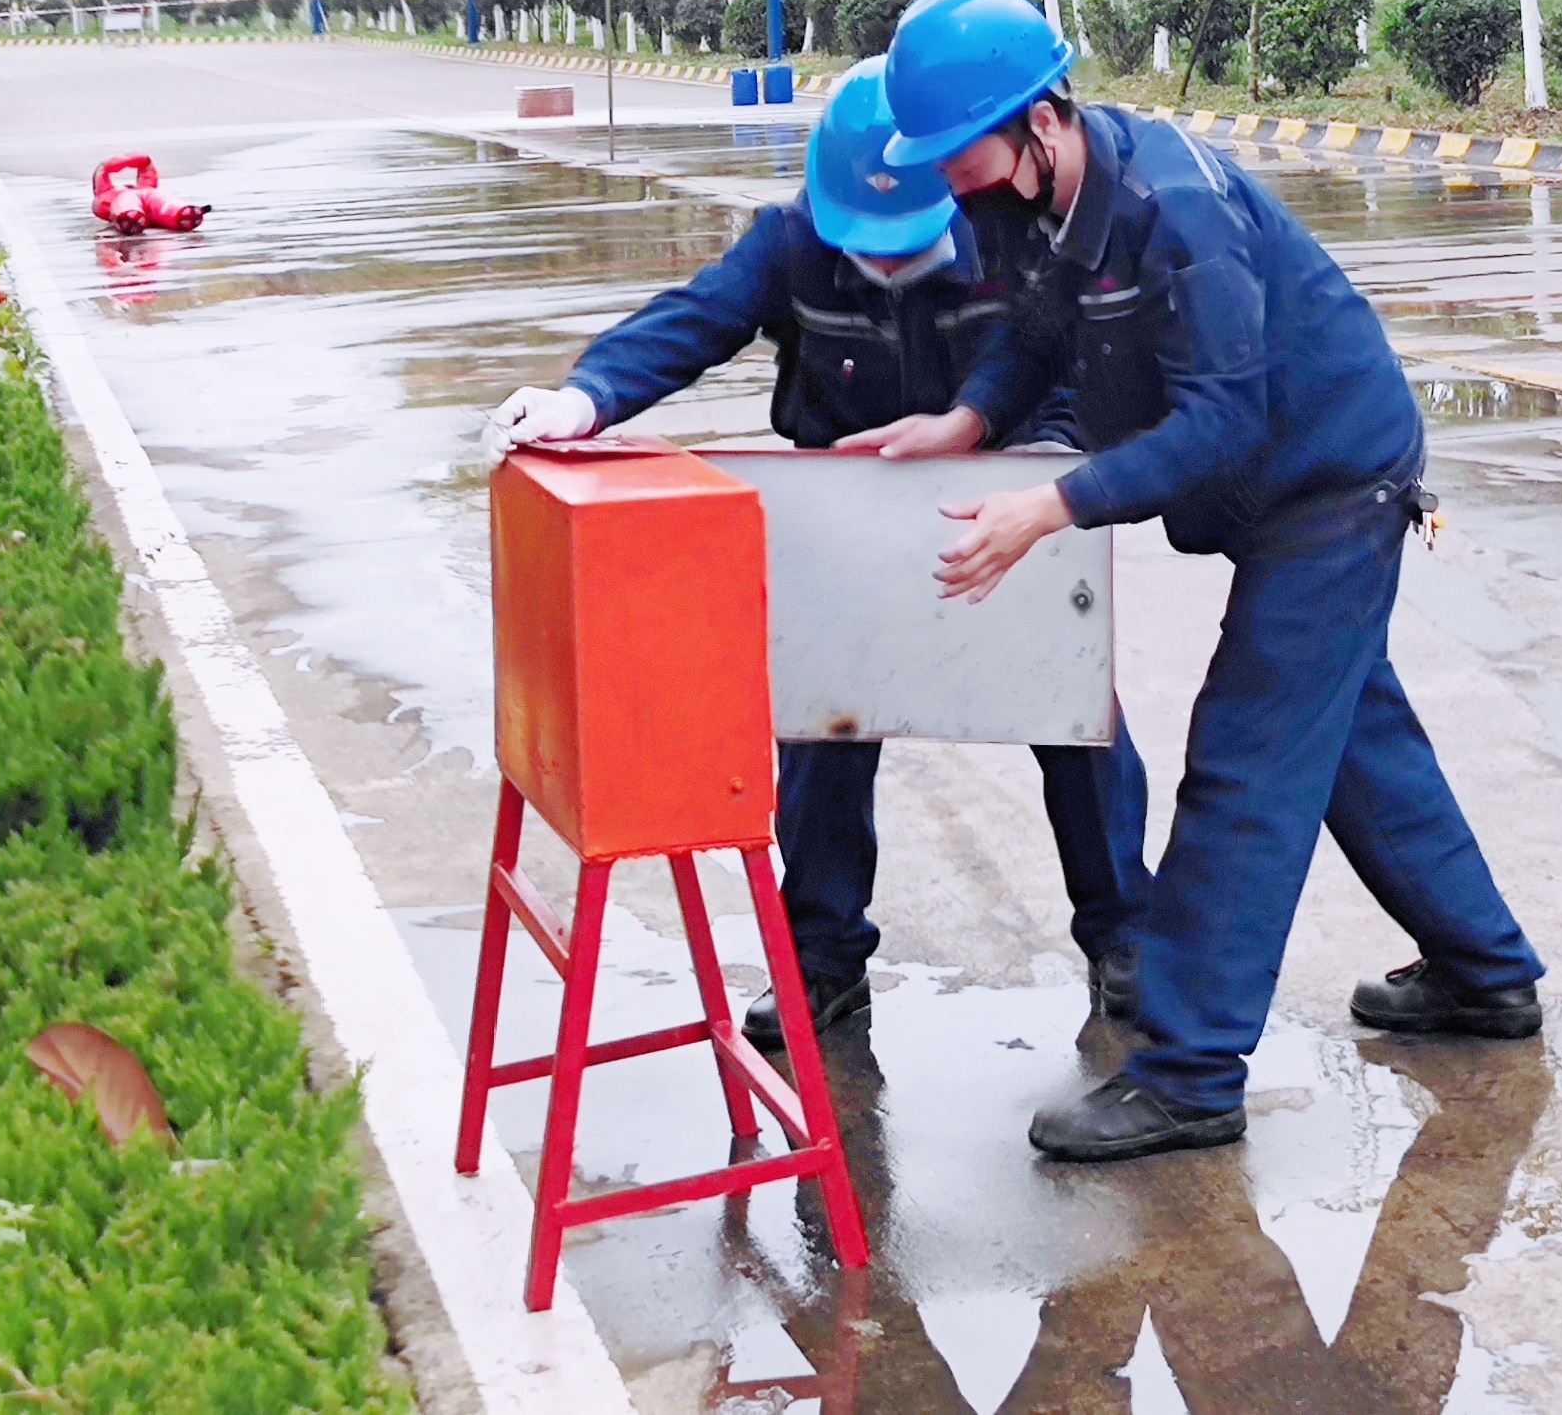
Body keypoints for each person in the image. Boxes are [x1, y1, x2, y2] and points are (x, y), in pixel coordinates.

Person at [868, 0, 1543, 1164]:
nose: (951, 186)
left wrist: (1052, 503)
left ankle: (1187, 1070)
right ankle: (1484, 977)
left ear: (1038, 122)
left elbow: (1221, 423)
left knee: (1247, 762)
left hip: (1329, 477)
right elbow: (1034, 328)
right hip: (1276, 479)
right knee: (1349, 741)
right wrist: (969, 422)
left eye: (959, 155)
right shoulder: (1045, 203)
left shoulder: (1174, 210)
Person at [485, 58, 1149, 1046]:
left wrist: (1047, 481)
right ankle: (823, 961)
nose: (880, 267)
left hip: (998, 509)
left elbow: (1067, 372)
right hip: (844, 515)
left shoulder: (1014, 241)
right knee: (822, 735)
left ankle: (1127, 947)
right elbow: (694, 318)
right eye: (863, 247)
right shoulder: (794, 240)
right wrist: (583, 398)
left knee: (1073, 714)